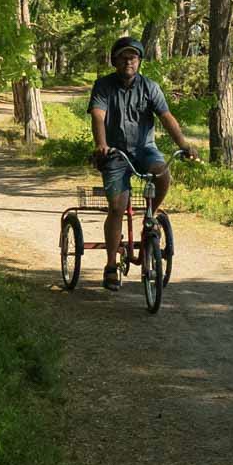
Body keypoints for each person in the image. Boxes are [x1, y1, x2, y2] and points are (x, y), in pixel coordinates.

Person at [89, 36, 197, 290]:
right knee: (117, 208)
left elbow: (166, 117)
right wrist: (101, 145)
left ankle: (151, 216)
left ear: (139, 61)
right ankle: (111, 266)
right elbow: (98, 116)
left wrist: (184, 144)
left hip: (145, 149)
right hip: (115, 153)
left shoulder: (150, 87)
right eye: (124, 57)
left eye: (133, 57)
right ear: (115, 61)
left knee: (163, 174)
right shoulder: (103, 86)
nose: (129, 61)